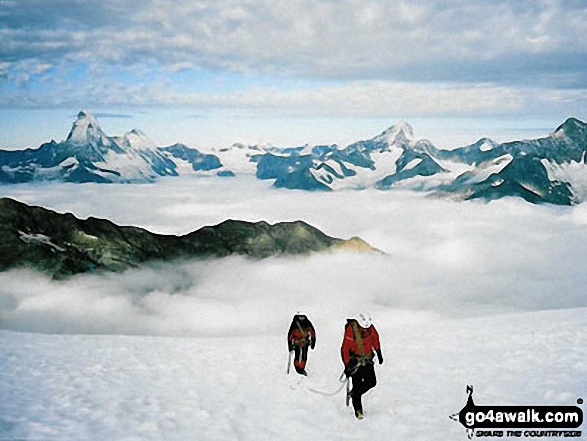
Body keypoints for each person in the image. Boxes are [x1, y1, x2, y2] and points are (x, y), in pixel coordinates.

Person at [340, 312, 383, 419]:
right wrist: (347, 365)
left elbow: (375, 339)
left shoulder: (370, 328)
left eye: (367, 328)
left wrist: (378, 352)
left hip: (367, 359)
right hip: (355, 361)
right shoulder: (351, 331)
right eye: (363, 328)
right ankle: (358, 410)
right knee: (357, 384)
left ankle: (354, 393)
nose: (365, 330)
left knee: (371, 382)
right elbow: (345, 348)